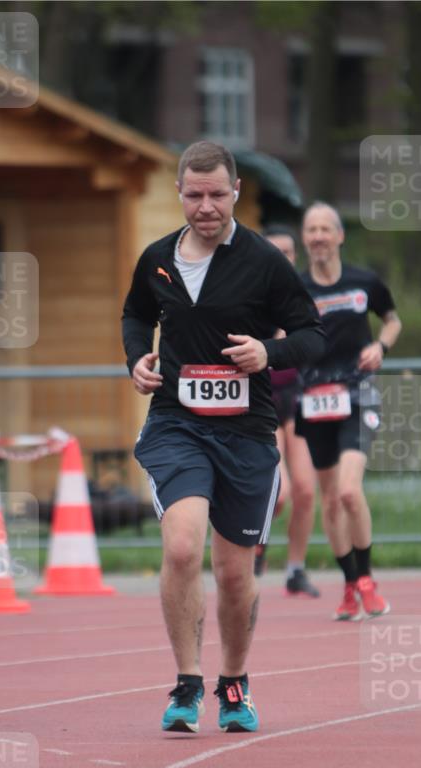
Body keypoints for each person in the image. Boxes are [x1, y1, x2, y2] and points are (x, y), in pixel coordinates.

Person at [122, 141, 327, 734]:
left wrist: (270, 352)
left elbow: (312, 333)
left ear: (235, 192)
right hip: (177, 424)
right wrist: (138, 358)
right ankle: (186, 683)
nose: (205, 206)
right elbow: (135, 314)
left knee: (235, 573)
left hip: (246, 433)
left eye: (217, 194)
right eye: (194, 195)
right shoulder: (157, 258)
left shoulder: (263, 260)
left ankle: (233, 682)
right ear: (179, 194)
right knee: (183, 547)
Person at [297, 202, 402, 620]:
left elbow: (392, 320)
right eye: (312, 230)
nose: (319, 236)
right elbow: (278, 332)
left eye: (326, 228)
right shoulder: (295, 289)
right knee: (330, 500)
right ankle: (347, 584)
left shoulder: (364, 282)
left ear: (340, 236)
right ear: (305, 240)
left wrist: (381, 346)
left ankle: (367, 580)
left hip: (358, 394)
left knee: (348, 491)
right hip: (314, 398)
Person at [254, 224, 320, 599]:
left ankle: (296, 569)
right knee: (280, 491)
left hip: (299, 400)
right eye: (274, 251)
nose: (282, 258)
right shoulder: (251, 296)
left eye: (288, 252)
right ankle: (257, 541)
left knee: (307, 492)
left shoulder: (304, 297)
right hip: (263, 401)